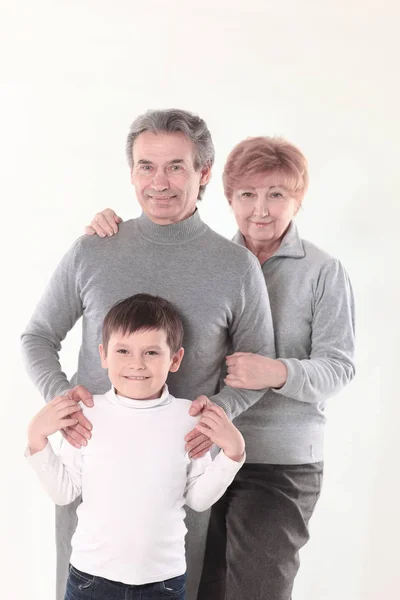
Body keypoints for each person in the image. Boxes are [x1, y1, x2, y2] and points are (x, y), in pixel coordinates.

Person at [87, 136, 356, 600]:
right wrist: (109, 230)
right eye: (248, 195)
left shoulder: (322, 271)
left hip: (278, 462)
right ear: (228, 198)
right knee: (199, 589)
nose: (262, 210)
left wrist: (277, 373)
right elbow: (151, 314)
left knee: (256, 590)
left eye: (277, 195)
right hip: (199, 455)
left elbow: (340, 366)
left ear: (299, 200)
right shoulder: (214, 260)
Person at [21, 109, 275, 600]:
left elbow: (256, 365)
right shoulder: (94, 249)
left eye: (176, 166)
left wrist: (218, 415)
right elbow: (37, 336)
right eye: (145, 166)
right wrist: (64, 406)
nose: (159, 181)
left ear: (203, 173)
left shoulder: (236, 266)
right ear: (131, 171)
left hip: (177, 473)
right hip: (90, 461)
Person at [25, 293, 246, 600]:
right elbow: (64, 491)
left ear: (175, 359)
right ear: (103, 355)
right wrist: (37, 438)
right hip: (90, 579)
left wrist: (233, 454)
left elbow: (197, 498)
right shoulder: (86, 414)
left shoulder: (189, 418)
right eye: (123, 350)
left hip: (164, 583)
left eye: (152, 352)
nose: (136, 364)